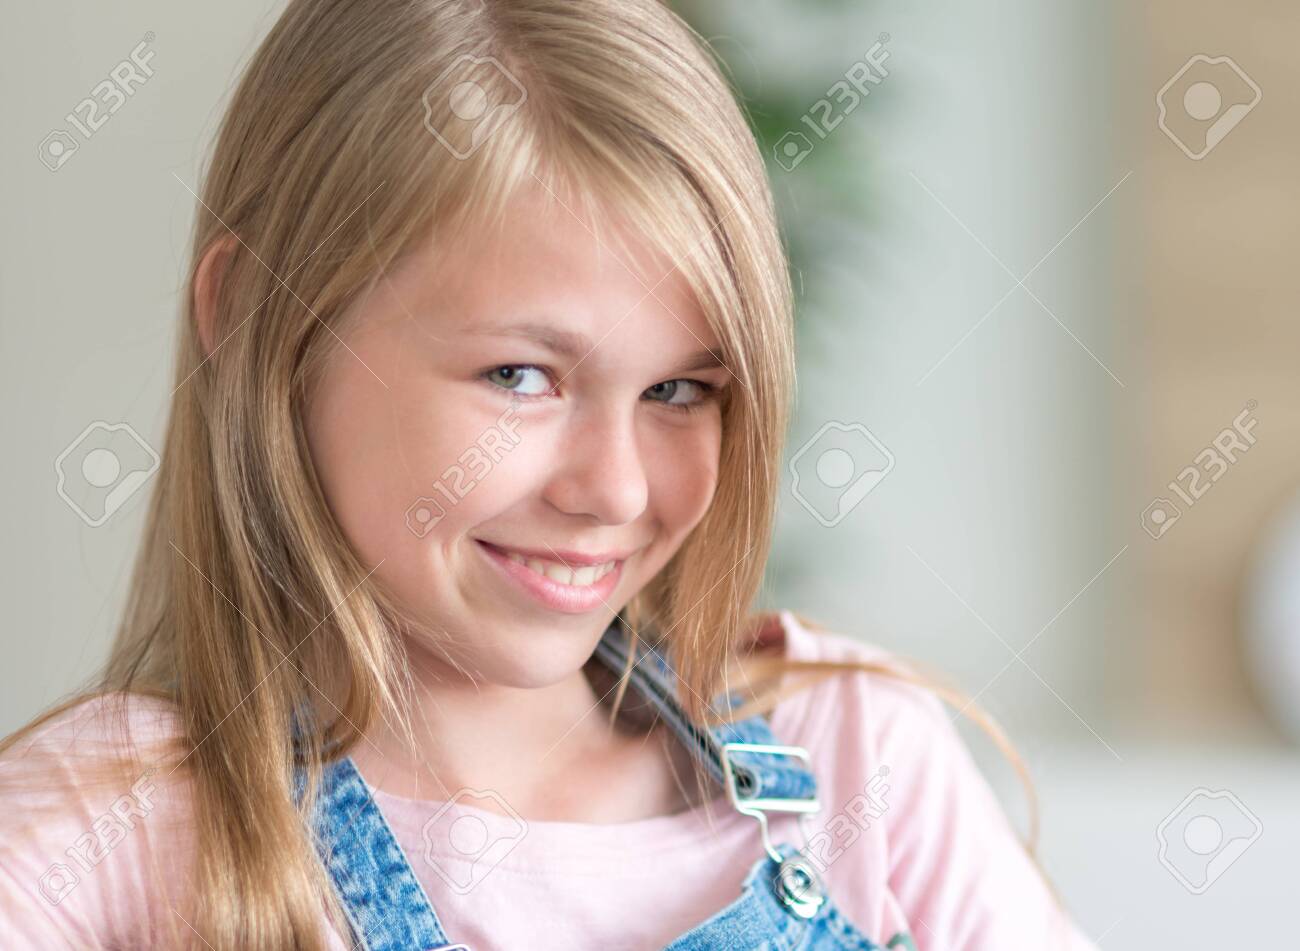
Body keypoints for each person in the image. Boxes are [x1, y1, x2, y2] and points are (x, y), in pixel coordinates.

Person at [0, 0, 1097, 947]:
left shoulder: (857, 758)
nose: (615, 491)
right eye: (520, 377)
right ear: (257, 316)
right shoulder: (110, 823)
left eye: (680, 390)